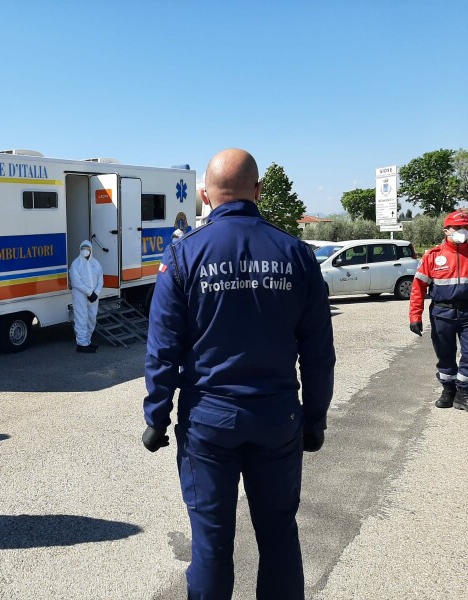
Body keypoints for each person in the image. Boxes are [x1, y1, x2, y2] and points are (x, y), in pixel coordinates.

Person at [142, 149, 335, 600]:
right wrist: (315, 418)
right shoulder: (296, 253)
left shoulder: (184, 255)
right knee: (279, 536)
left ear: (206, 196)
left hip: (208, 423)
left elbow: (162, 348)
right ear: (259, 191)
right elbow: (319, 352)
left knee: (211, 544)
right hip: (277, 420)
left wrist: (156, 415)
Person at [409, 209, 468, 411]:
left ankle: (463, 392)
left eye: (466, 227)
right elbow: (418, 288)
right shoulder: (433, 256)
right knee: (445, 354)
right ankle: (448, 389)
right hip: (442, 314)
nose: (463, 231)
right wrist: (415, 316)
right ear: (446, 230)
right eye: (458, 227)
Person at [69, 240, 103, 353]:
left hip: (94, 296)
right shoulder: (76, 264)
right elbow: (76, 282)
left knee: (92, 318)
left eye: (87, 249)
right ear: (80, 249)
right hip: (80, 295)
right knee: (81, 318)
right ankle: (81, 344)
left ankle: (87, 341)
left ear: (91, 250)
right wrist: (89, 292)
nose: (85, 251)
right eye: (83, 248)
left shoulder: (96, 264)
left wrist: (96, 293)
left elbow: (100, 280)